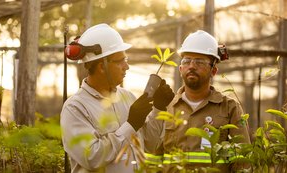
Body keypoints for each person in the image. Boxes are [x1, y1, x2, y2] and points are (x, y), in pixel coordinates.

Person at [60, 23, 174, 173]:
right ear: (102, 66)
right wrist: (131, 125)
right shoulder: (75, 108)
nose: (127, 66)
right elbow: (92, 157)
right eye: (120, 60)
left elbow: (149, 145)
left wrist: (158, 109)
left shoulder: (127, 97)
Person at [145, 30, 251, 172]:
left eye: (199, 62)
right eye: (187, 61)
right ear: (180, 69)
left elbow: (242, 161)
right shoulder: (166, 107)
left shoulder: (229, 108)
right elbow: (154, 158)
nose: (192, 66)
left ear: (213, 71)